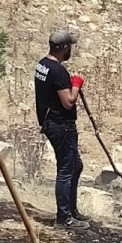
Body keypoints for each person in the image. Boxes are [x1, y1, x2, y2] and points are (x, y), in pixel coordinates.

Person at [35, 31, 88, 229]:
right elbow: (68, 102)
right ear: (65, 47)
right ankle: (63, 217)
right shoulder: (57, 71)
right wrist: (75, 85)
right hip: (61, 125)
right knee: (66, 169)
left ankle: (71, 210)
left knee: (76, 165)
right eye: (69, 47)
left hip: (51, 122)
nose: (70, 50)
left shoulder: (42, 65)